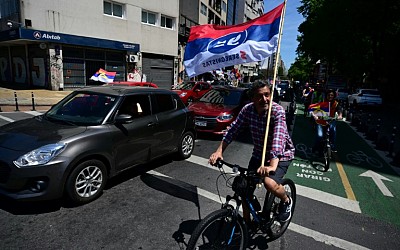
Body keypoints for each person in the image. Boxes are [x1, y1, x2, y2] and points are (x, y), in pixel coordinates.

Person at [209, 80, 295, 224]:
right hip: (259, 154)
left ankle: (286, 201)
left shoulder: (277, 111)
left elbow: (278, 140)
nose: (264, 99)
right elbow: (233, 130)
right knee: (243, 189)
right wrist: (219, 152)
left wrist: (272, 165)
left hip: (281, 155)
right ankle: (247, 225)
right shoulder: (247, 110)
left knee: (269, 183)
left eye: (267, 95)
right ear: (252, 98)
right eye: (259, 96)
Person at [310, 89, 343, 153]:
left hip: (331, 120)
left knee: (333, 130)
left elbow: (339, 110)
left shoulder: (336, 103)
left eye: (332, 95)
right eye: (329, 95)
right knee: (320, 136)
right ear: (326, 95)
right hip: (321, 121)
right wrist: (315, 115)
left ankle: (332, 145)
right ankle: (315, 147)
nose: (330, 96)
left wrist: (340, 115)